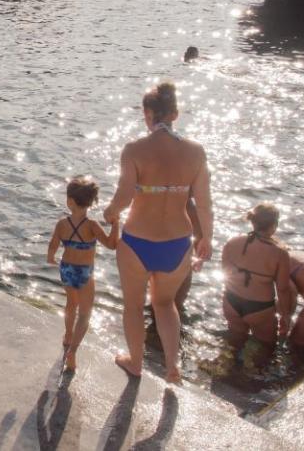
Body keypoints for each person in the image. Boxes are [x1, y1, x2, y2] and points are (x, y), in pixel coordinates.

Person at [103, 82, 213, 383]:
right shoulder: (195, 152)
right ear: (175, 114)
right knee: (165, 305)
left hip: (138, 240)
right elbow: (203, 203)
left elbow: (125, 197)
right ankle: (171, 368)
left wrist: (110, 212)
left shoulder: (134, 150)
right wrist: (208, 238)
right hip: (178, 242)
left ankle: (135, 362)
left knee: (134, 307)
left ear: (148, 113)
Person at [46, 176, 118, 372]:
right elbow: (112, 245)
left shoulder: (62, 223)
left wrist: (51, 256)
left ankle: (68, 335)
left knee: (71, 304)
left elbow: (53, 243)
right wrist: (116, 224)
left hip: (66, 268)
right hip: (85, 272)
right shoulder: (92, 225)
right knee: (85, 313)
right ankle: (73, 352)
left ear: (70, 202)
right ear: (92, 202)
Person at [221, 203, 292, 350]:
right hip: (260, 308)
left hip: (231, 301)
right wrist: (286, 316)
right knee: (267, 348)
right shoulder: (279, 253)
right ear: (275, 224)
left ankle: (228, 370)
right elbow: (283, 289)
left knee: (234, 343)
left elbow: (226, 273)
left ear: (253, 222)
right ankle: (255, 371)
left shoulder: (232, 242)